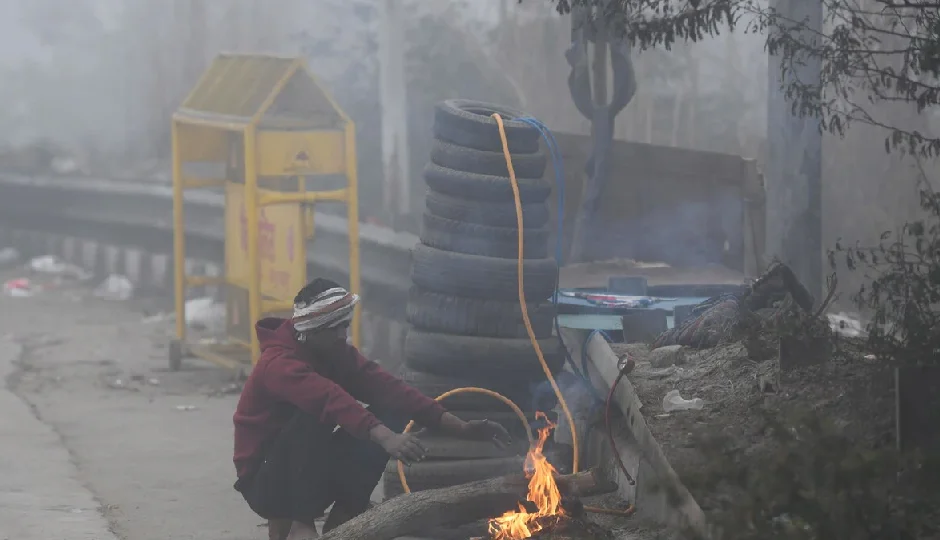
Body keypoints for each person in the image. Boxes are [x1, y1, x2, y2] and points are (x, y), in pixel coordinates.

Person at [233, 278, 512, 540]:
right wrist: (385, 437)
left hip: (307, 473)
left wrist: (460, 427)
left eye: (345, 326)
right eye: (336, 329)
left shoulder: (334, 352)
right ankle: (301, 525)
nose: (344, 335)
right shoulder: (278, 363)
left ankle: (343, 522)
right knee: (315, 414)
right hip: (266, 481)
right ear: (313, 331)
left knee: (390, 410)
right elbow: (329, 399)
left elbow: (389, 388)